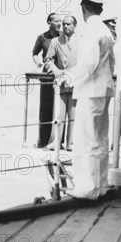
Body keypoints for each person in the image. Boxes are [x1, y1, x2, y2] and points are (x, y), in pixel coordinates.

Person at [56, 0, 115, 200]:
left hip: (90, 92)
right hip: (104, 90)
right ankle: (101, 185)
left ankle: (87, 189)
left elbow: (88, 64)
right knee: (100, 138)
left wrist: (67, 77)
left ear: (84, 10)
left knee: (85, 140)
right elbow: (111, 63)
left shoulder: (90, 31)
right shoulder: (106, 31)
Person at [45, 15, 79, 151]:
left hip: (75, 81)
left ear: (74, 25)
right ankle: (56, 142)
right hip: (60, 81)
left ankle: (71, 143)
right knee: (59, 112)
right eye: (64, 24)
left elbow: (85, 62)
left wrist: (71, 76)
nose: (65, 27)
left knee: (74, 113)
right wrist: (57, 72)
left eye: (69, 24)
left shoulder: (82, 41)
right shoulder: (55, 41)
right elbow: (48, 60)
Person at [32, 13, 61, 148]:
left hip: (60, 73)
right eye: (56, 21)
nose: (59, 23)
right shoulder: (42, 37)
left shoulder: (63, 36)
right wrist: (38, 63)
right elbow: (34, 53)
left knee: (61, 107)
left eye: (60, 21)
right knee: (46, 106)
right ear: (49, 22)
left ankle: (59, 142)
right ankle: (43, 140)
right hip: (47, 74)